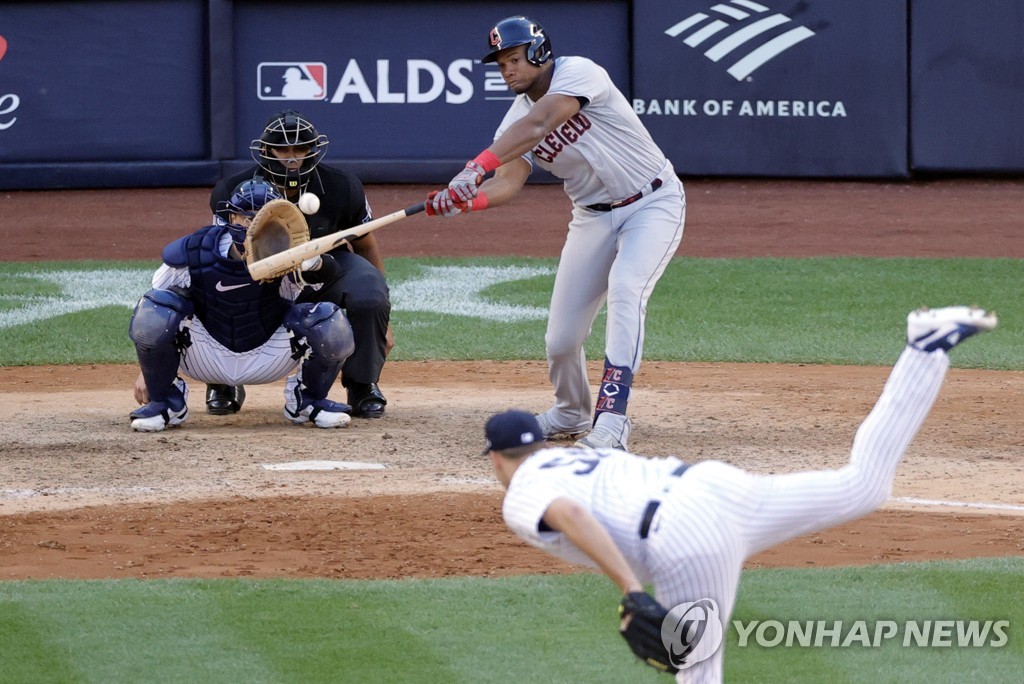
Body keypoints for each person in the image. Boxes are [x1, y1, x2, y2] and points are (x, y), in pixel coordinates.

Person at [482, 306, 998, 682]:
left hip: (686, 534)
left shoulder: (525, 484)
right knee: (862, 485)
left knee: (698, 674)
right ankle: (924, 348)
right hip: (716, 486)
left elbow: (568, 511)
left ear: (497, 457)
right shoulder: (578, 455)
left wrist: (631, 590)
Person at [425, 15, 687, 450]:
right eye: (500, 63)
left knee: (626, 289)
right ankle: (571, 411)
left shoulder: (579, 73)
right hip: (591, 217)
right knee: (561, 338)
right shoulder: (511, 123)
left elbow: (541, 123)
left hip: (652, 202)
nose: (506, 69)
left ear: (539, 52)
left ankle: (612, 422)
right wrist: (466, 200)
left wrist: (474, 168)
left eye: (513, 58)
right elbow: (509, 181)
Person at [129, 179, 355, 432]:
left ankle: (308, 400)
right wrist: (147, 372)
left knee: (328, 319)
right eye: (246, 218)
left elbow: (329, 274)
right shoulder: (196, 249)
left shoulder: (288, 252)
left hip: (269, 352)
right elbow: (154, 305)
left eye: (260, 219)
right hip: (204, 352)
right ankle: (166, 402)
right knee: (157, 307)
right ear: (232, 217)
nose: (252, 226)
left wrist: (314, 263)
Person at [209, 109, 391, 419]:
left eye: (300, 148)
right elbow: (220, 251)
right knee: (220, 289)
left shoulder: (342, 186)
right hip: (261, 271)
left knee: (369, 290)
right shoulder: (234, 190)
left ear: (312, 149)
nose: (292, 158)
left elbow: (364, 244)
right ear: (266, 150)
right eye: (284, 149)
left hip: (326, 264)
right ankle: (224, 381)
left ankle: (362, 384)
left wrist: (383, 315)